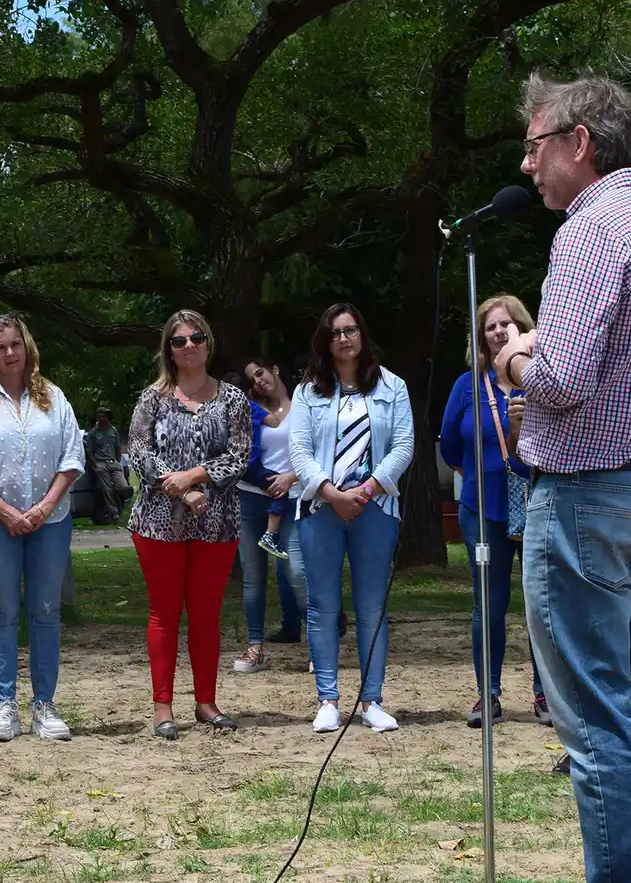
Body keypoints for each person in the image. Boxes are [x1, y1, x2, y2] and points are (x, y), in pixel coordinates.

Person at [493, 72, 631, 883]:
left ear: (579, 143)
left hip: (585, 499)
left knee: (598, 726)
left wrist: (514, 357)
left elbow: (563, 377)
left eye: (536, 144)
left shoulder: (590, 231)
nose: (527, 163)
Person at [508, 396, 631, 781]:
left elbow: (562, 383)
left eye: (506, 328)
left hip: (592, 493)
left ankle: (617, 769)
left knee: (600, 685)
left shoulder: (560, 341)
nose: (499, 332)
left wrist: (516, 361)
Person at [0, 315, 84, 742]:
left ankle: (44, 704)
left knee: (46, 612)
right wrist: (6, 511)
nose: (9, 353)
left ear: (26, 346)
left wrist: (45, 507)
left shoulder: (54, 397)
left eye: (14, 344)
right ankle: (4, 704)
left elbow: (71, 457)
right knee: (2, 612)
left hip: (52, 520)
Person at [290, 303, 414, 734]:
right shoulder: (308, 392)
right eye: (336, 332)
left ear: (363, 335)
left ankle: (372, 700)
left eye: (351, 330)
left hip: (374, 508)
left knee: (371, 606)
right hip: (321, 509)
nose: (344, 339)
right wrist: (331, 493)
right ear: (326, 341)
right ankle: (327, 699)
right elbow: (300, 452)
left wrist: (364, 491)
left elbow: (403, 446)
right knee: (322, 606)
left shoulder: (391, 386)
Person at [127, 310, 249, 740]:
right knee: (164, 614)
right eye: (179, 341)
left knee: (206, 616)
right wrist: (178, 488)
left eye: (196, 336)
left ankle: (205, 702)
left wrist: (194, 476)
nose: (189, 345)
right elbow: (139, 452)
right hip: (158, 522)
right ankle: (163, 708)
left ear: (208, 342)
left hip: (217, 523)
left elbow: (239, 457)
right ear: (170, 350)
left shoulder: (233, 399)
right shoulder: (152, 398)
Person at [438, 295, 547, 728]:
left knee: (542, 605)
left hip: (537, 504)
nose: (500, 332)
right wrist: (486, 474)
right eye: (491, 327)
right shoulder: (468, 385)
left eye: (507, 325)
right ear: (480, 338)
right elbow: (449, 445)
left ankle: (546, 693)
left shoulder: (539, 380)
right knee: (490, 604)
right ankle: (490, 694)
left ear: (523, 329)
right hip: (483, 511)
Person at [230, 360, 309, 673]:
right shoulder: (250, 411)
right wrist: (267, 482)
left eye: (260, 373)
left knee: (297, 572)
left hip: (292, 496)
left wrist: (290, 477)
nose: (258, 381)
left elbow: (314, 449)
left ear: (275, 370)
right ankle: (255, 647)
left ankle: (319, 644)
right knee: (253, 578)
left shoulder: (303, 404)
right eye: (251, 379)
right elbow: (240, 454)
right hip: (251, 496)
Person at [83, 407, 130, 524]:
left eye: (103, 416)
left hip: (113, 462)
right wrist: (96, 465)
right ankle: (114, 513)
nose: (101, 418)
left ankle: (119, 505)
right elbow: (89, 451)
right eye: (99, 416)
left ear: (108, 417)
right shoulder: (93, 433)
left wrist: (118, 462)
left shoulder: (113, 431)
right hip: (101, 463)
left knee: (123, 487)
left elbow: (118, 448)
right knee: (107, 488)